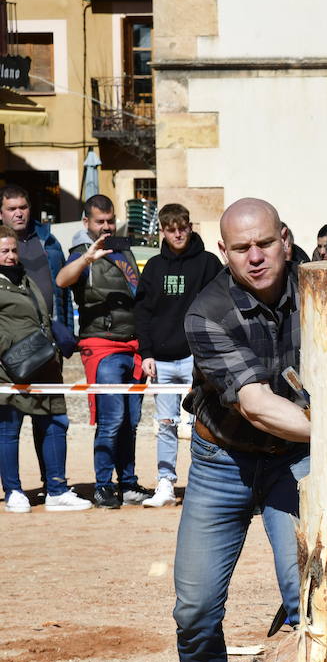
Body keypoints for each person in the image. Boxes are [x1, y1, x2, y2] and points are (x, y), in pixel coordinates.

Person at [141, 198, 312, 662]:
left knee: (309, 598)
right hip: (223, 464)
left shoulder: (322, 292)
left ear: (285, 238)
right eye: (241, 249)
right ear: (224, 252)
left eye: (264, 243)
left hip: (297, 461)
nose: (256, 257)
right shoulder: (206, 311)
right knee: (194, 609)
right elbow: (258, 406)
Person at [55, 194, 152, 509]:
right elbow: (61, 280)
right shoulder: (81, 253)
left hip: (133, 346)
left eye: (110, 221)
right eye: (100, 222)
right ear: (87, 223)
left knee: (132, 419)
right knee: (112, 419)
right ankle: (102, 485)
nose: (107, 227)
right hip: (102, 346)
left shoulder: (124, 250)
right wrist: (87, 259)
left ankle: (128, 482)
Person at [133, 203, 224, 508]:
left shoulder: (209, 263)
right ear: (162, 231)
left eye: (182, 228)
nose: (177, 234)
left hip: (197, 358)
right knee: (166, 423)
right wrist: (146, 353)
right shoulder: (155, 268)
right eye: (170, 229)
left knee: (206, 421)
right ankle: (165, 482)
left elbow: (219, 307)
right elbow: (143, 313)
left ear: (190, 226)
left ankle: (206, 483)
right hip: (161, 359)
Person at [0, 225, 90, 512]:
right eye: (4, 251)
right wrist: (10, 346)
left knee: (55, 424)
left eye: (13, 250)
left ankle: (56, 489)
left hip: (45, 365)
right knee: (9, 430)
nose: (11, 256)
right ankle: (13, 490)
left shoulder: (27, 279)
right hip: (9, 368)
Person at [2, 186, 73, 344]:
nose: (19, 213)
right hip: (14, 342)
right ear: (0, 214)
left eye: (23, 207)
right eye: (12, 209)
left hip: (50, 337)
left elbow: (64, 292)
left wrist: (66, 332)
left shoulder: (49, 240)